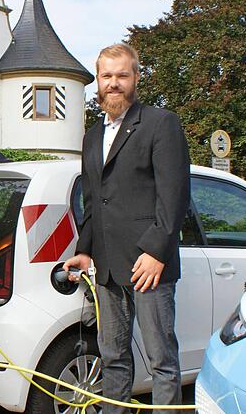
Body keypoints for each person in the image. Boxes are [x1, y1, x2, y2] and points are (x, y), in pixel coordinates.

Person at [64, 43, 190, 413]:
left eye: (122, 75)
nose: (114, 83)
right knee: (113, 357)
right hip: (105, 266)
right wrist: (84, 249)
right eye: (107, 76)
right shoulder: (91, 135)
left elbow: (175, 196)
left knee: (161, 361)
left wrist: (156, 252)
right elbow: (92, 199)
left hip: (149, 266)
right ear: (98, 83)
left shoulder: (160, 123)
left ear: (136, 77)